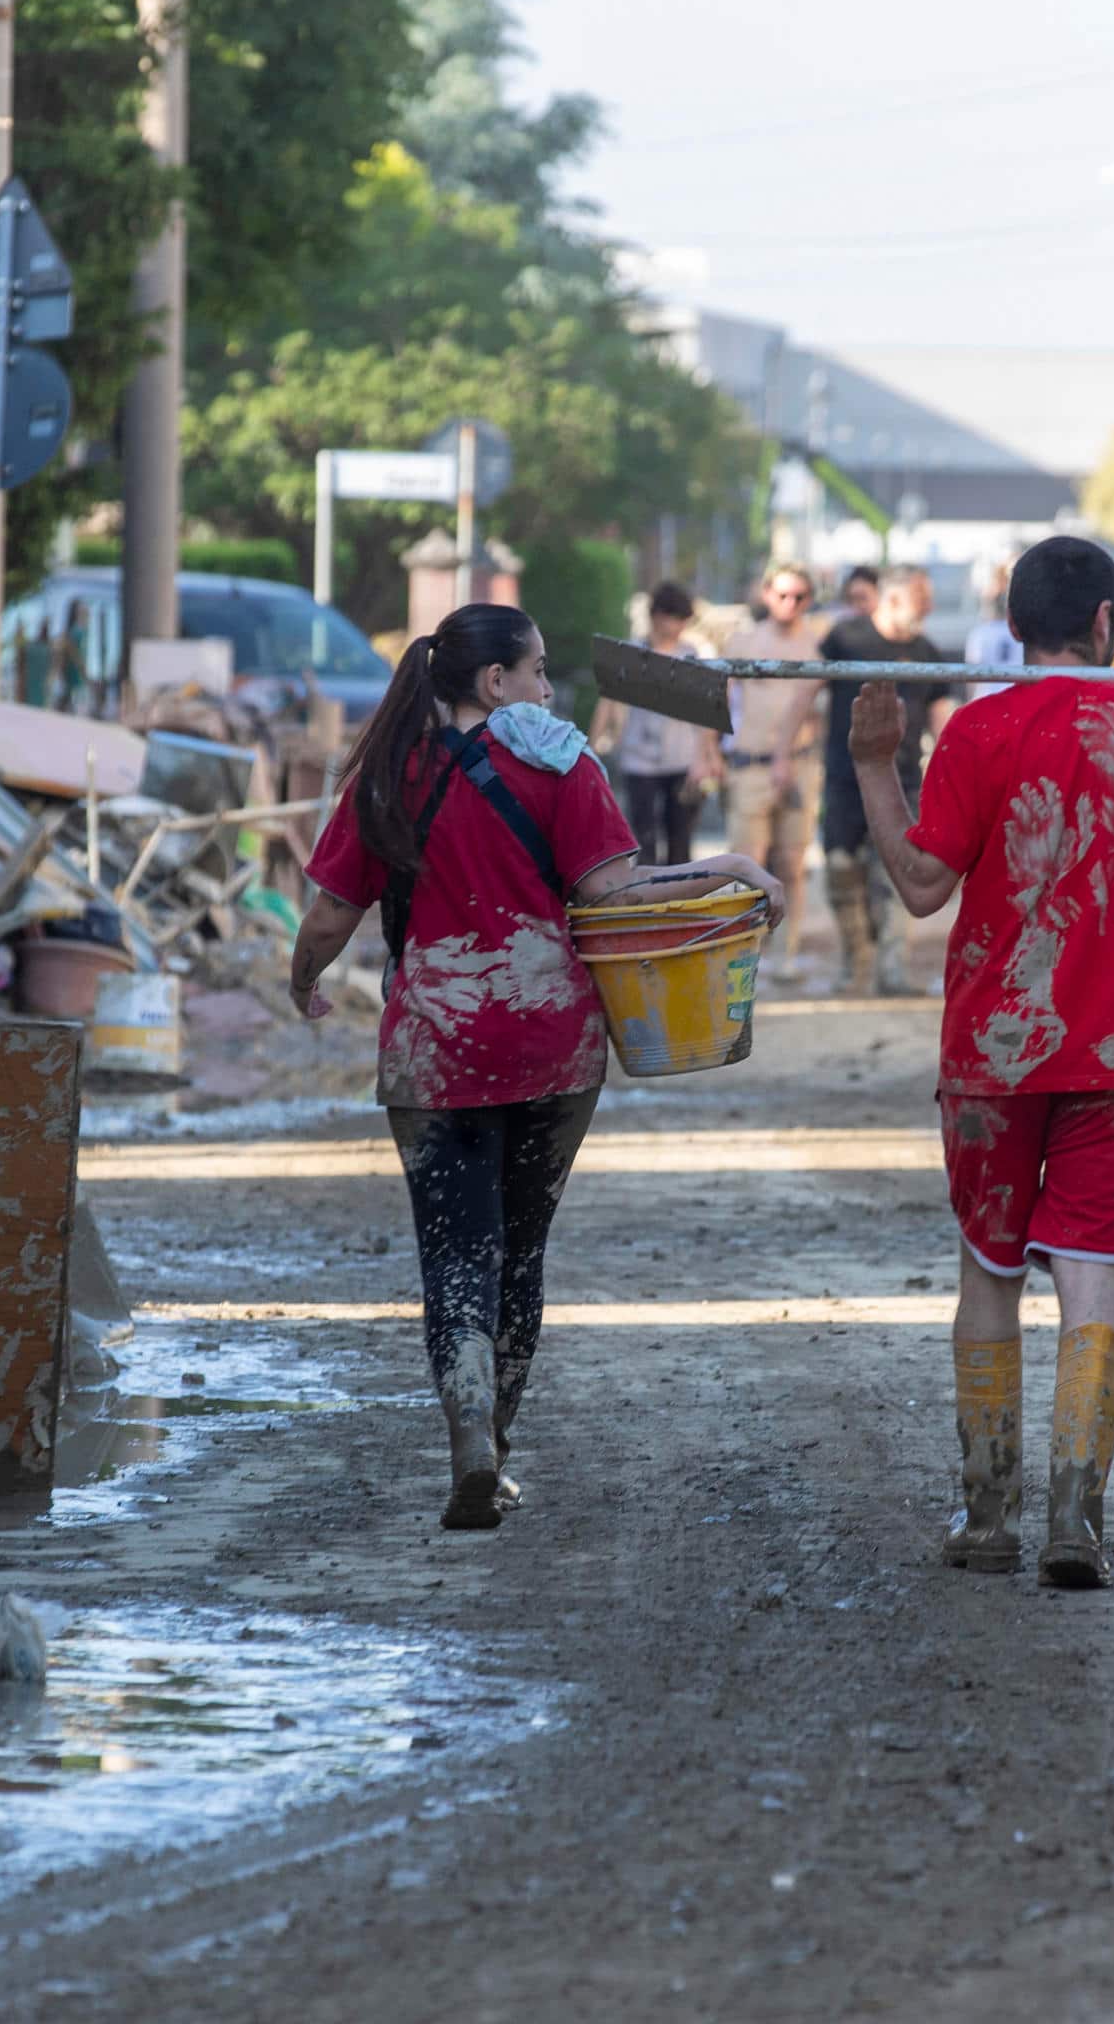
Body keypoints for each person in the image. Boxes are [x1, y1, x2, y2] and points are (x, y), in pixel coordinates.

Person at [288, 604, 780, 1530]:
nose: (551, 691)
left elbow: (327, 918)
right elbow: (616, 896)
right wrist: (729, 867)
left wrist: (301, 980)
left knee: (453, 1250)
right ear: (495, 682)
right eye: (539, 671)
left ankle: (467, 1425)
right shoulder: (564, 764)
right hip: (554, 1048)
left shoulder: (388, 774)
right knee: (521, 1246)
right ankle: (498, 1443)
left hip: (435, 1047)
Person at [847, 536, 1114, 1588]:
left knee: (990, 1272)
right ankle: (1075, 1515)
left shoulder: (978, 728)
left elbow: (916, 885)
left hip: (993, 1056)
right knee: (1093, 1279)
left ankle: (989, 1514)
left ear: (1015, 623)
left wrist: (871, 764)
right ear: (1103, 622)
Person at [818, 567, 951, 996]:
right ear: (893, 600)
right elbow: (806, 689)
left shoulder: (928, 652)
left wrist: (947, 769)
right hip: (844, 777)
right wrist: (782, 748)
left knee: (896, 876)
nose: (929, 607)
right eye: (921, 598)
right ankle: (854, 961)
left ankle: (891, 970)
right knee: (841, 868)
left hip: (905, 779)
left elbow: (942, 713)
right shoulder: (846, 638)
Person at [720, 566, 829, 977]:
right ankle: (744, 952)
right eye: (782, 595)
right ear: (766, 595)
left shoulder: (815, 644)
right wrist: (708, 751)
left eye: (799, 597)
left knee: (793, 862)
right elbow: (716, 701)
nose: (790, 604)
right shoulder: (743, 641)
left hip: (800, 763)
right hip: (751, 762)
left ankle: (787, 953)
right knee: (747, 862)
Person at [590, 581, 718, 866]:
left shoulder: (692, 655)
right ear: (659, 616)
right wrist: (592, 749)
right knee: (642, 841)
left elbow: (705, 715)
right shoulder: (632, 654)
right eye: (676, 618)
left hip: (683, 759)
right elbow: (608, 702)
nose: (680, 625)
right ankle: (649, 906)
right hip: (640, 759)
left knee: (680, 843)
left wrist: (706, 759)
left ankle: (679, 905)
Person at [964, 555, 1025, 694]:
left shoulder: (1023, 630)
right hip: (989, 701)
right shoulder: (980, 633)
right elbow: (972, 678)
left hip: (1014, 699)